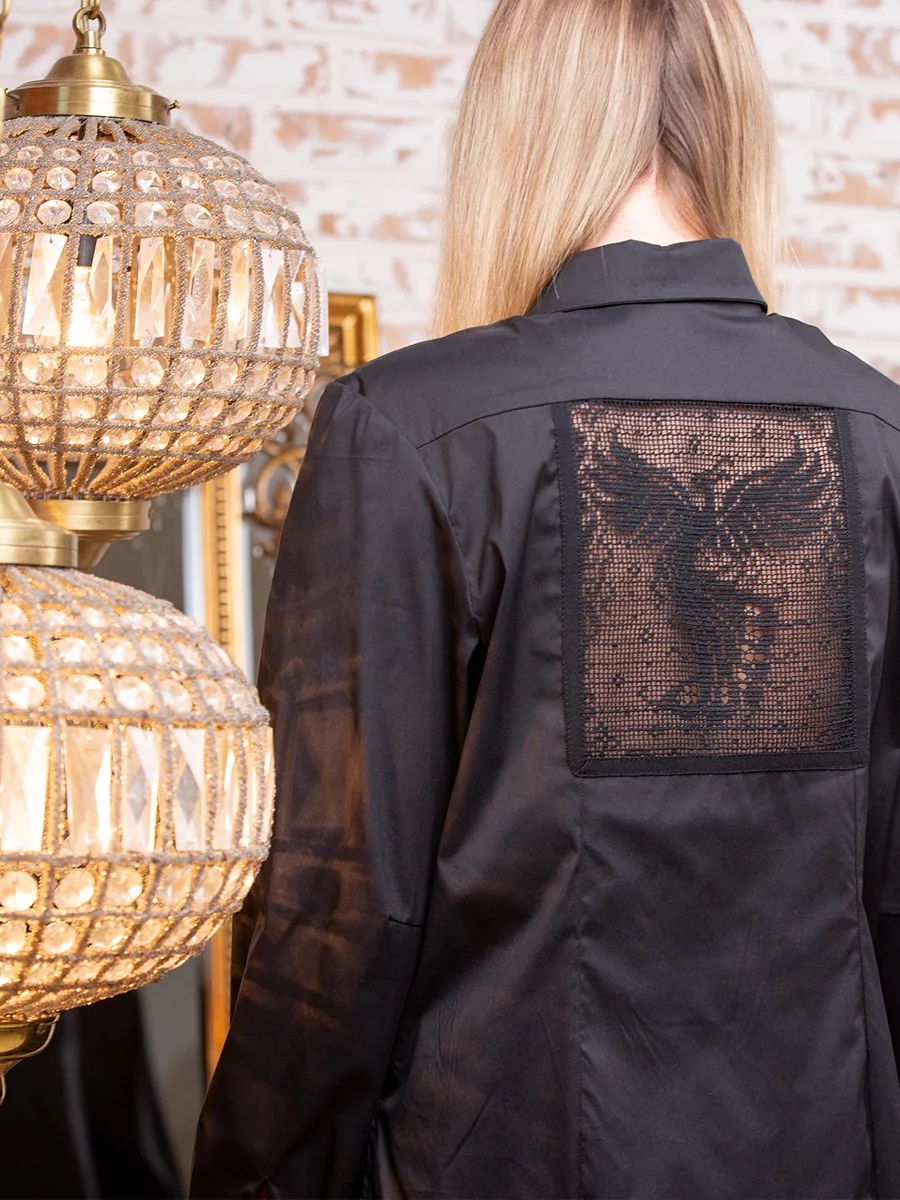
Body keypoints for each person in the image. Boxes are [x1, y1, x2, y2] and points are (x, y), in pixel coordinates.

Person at [191, 0, 900, 1196]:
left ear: (516, 131)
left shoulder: (411, 430)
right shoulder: (881, 438)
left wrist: (252, 1176)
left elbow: (342, 910)